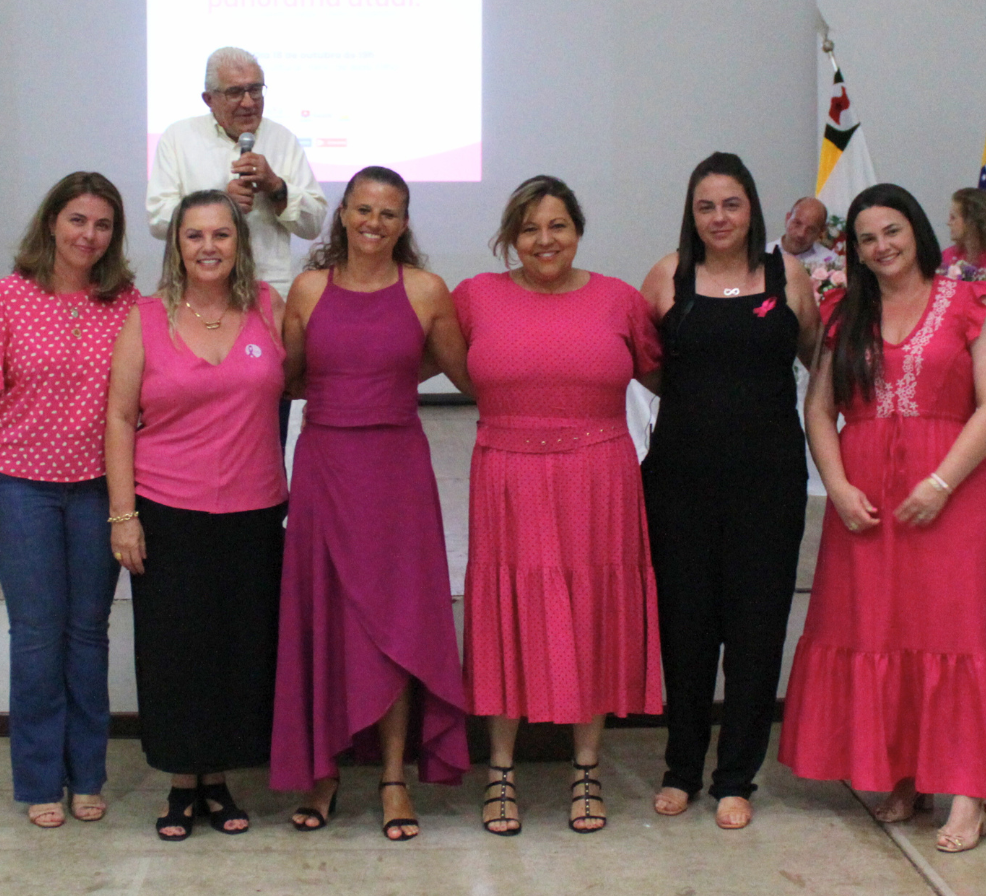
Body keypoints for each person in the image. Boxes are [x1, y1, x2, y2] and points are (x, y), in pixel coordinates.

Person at [779, 183, 986, 854]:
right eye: (866, 238)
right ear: (855, 250)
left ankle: (970, 792)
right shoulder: (844, 312)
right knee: (882, 630)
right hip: (865, 500)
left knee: (958, 632)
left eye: (891, 230)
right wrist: (836, 485)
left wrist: (942, 482)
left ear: (917, 231)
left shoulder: (972, 302)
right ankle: (905, 774)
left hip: (951, 491)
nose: (881, 246)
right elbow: (818, 408)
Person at [456, 175, 663, 836]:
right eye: (529, 229)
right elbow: (431, 360)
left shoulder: (620, 300)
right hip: (507, 475)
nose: (544, 240)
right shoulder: (474, 298)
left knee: (591, 612)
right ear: (510, 237)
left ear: (578, 230)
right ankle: (500, 771)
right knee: (506, 614)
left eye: (557, 226)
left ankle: (586, 769)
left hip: (598, 477)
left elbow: (666, 378)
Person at [269, 166, 471, 841]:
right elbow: (289, 377)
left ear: (404, 222)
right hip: (325, 467)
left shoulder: (427, 290)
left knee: (399, 624)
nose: (373, 223)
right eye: (363, 210)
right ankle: (322, 772)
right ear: (343, 215)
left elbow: (466, 372)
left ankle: (393, 778)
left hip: (397, 475)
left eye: (388, 213)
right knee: (325, 619)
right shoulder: (308, 289)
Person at [0, 172, 139, 828]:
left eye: (103, 224)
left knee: (87, 634)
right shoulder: (2, 298)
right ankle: (38, 780)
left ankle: (86, 774)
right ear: (52, 222)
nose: (89, 235)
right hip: (19, 486)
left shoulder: (127, 304)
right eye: (77, 220)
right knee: (37, 637)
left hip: (97, 490)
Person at [639, 153, 819, 830]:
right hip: (680, 480)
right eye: (706, 206)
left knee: (756, 629)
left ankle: (737, 776)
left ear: (753, 209)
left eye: (731, 204)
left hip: (768, 482)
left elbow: (818, 358)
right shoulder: (667, 275)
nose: (719, 218)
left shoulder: (788, 275)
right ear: (692, 214)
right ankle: (681, 769)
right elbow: (649, 367)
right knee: (685, 628)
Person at [105, 190, 288, 841]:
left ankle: (220, 779)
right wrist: (123, 516)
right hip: (168, 512)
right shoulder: (146, 317)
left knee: (238, 650)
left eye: (221, 234)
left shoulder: (269, 308)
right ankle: (182, 782)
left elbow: (311, 382)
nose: (209, 247)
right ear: (177, 246)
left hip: (254, 515)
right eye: (194, 235)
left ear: (240, 243)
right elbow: (119, 417)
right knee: (176, 652)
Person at [147, 46, 329, 449]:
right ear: (208, 99)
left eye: (256, 90)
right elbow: (158, 218)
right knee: (196, 414)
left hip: (264, 300)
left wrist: (276, 188)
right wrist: (218, 201)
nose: (248, 102)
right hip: (195, 302)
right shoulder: (178, 138)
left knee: (266, 423)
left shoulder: (282, 139)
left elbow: (314, 221)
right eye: (235, 92)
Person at [777, 196, 836, 267]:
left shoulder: (830, 263)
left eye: (811, 229)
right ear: (787, 218)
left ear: (821, 232)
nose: (801, 234)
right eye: (797, 224)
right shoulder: (766, 252)